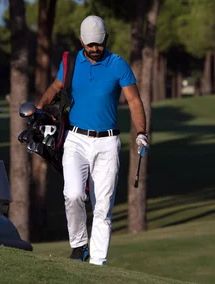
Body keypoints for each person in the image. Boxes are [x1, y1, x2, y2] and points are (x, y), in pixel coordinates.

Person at [36, 15, 149, 266]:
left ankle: (98, 263)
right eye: (90, 44)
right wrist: (38, 109)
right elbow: (55, 87)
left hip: (107, 143)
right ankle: (79, 246)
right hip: (75, 139)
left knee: (103, 205)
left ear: (105, 39)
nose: (95, 48)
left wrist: (141, 131)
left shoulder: (118, 65)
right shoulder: (72, 63)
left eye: (99, 43)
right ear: (81, 41)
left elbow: (134, 101)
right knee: (73, 194)